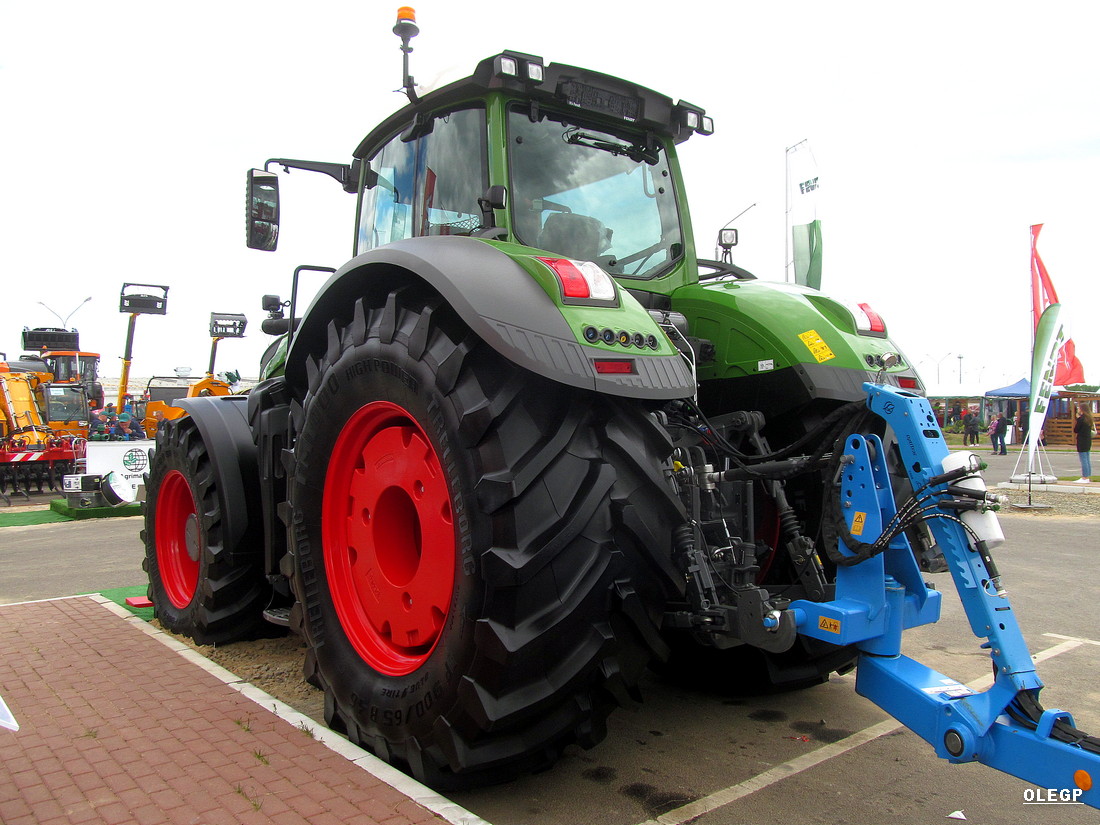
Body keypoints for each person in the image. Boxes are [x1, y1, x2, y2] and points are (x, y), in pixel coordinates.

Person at [1074, 403, 1094, 482]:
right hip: (1087, 440)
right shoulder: (1089, 418)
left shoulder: (1081, 419)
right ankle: (1087, 475)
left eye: (1079, 408)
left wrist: (1077, 419)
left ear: (1082, 409)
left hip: (1082, 440)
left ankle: (1084, 477)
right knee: (1087, 458)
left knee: (1083, 459)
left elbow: (1076, 430)